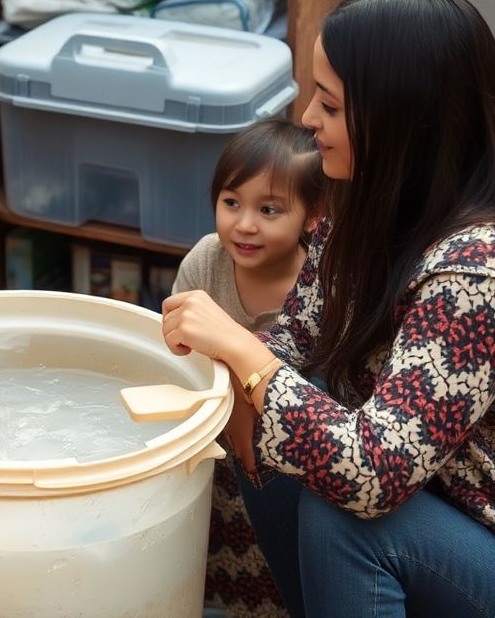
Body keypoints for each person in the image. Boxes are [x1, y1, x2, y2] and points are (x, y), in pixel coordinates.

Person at [162, 0, 495, 617]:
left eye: (330, 104)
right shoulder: (363, 201)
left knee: (343, 511)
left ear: (402, 118)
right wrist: (218, 378)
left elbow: (375, 474)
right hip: (440, 489)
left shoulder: (486, 274)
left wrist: (242, 349)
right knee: (270, 417)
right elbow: (300, 337)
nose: (309, 121)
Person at [172, 117, 322, 617]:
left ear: (312, 217)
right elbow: (177, 353)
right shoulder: (204, 264)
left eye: (270, 209)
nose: (245, 224)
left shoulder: (323, 282)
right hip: (212, 460)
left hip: (287, 471)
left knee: (283, 579)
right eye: (231, 202)